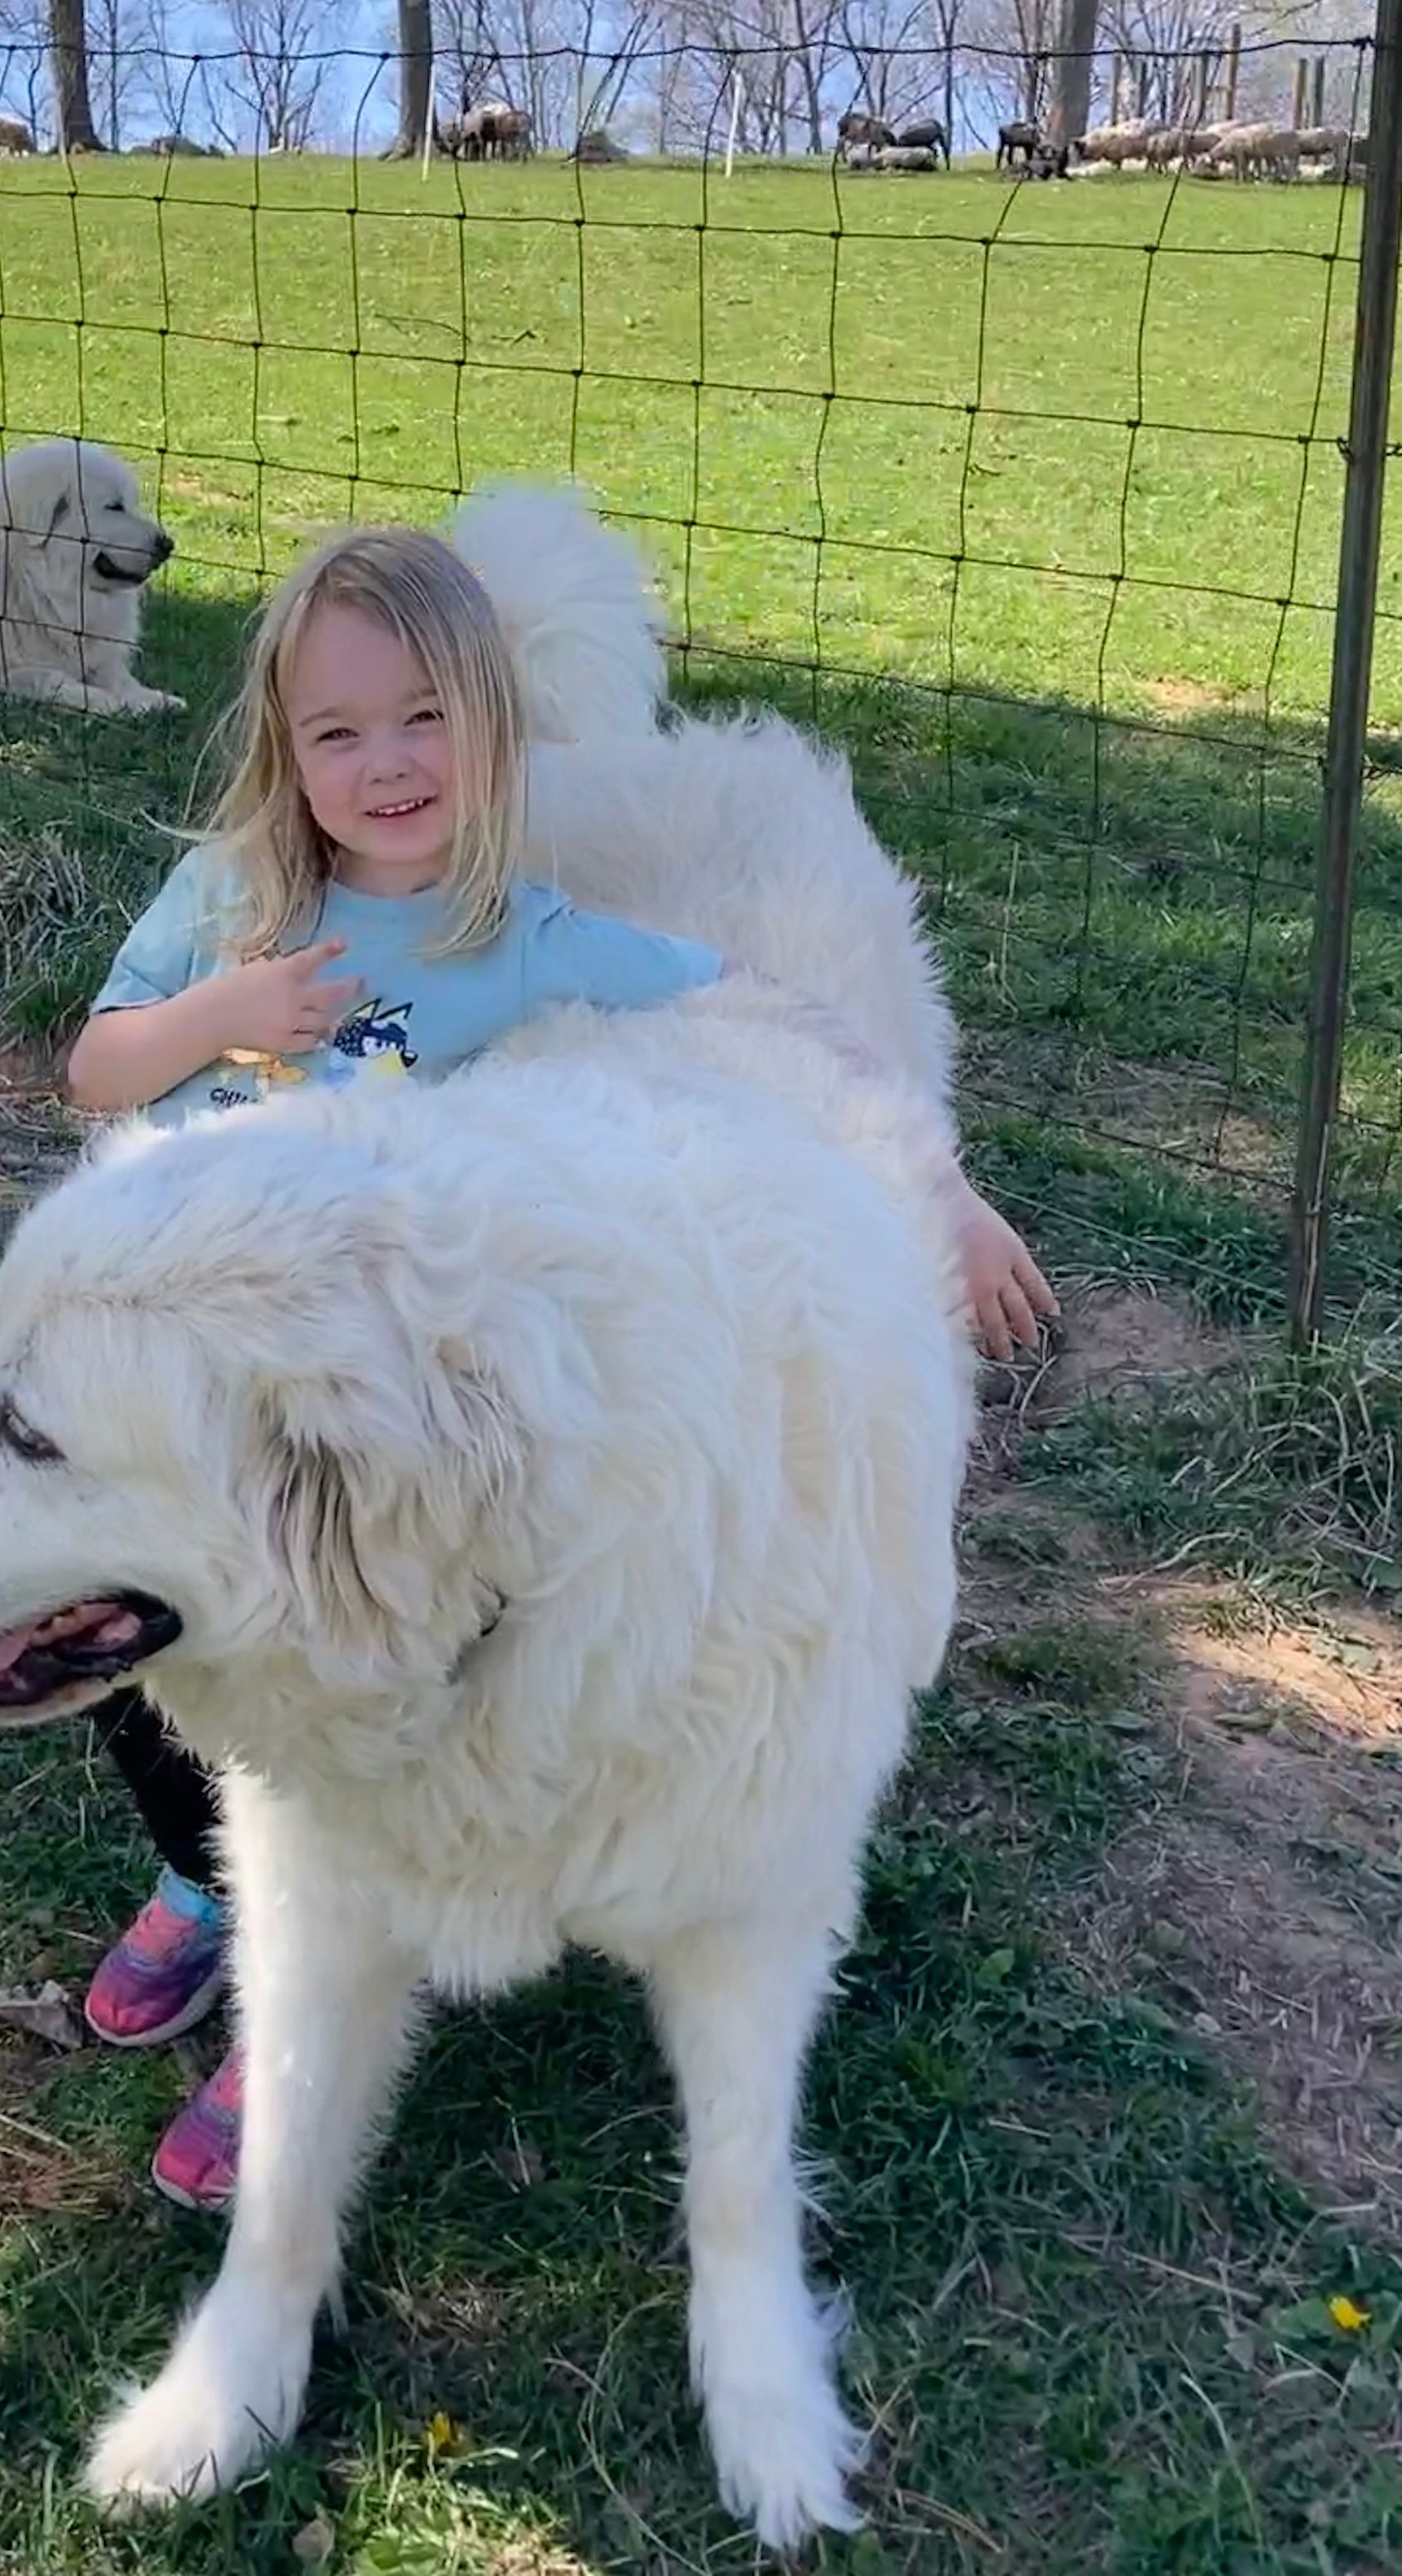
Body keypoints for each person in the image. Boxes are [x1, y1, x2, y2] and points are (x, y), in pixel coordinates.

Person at [52, 524, 1055, 2209]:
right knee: (140, 1657)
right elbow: (94, 1069)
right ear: (285, 752)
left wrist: (932, 1179)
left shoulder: (518, 938)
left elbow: (762, 1008)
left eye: (427, 720)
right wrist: (223, 1014)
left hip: (347, 1382)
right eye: (339, 732)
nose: (383, 766)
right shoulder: (232, 898)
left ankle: (284, 2009)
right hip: (168, 1339)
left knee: (337, 1665)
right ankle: (199, 1879)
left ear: (495, 730)